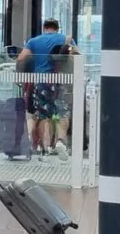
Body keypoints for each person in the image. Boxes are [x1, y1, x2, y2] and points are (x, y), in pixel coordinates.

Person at [16, 18, 77, 160]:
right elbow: (76, 54)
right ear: (57, 28)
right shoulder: (65, 39)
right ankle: (61, 141)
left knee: (44, 116)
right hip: (62, 81)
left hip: (42, 81)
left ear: (44, 28)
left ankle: (44, 148)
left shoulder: (34, 41)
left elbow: (21, 58)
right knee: (63, 112)